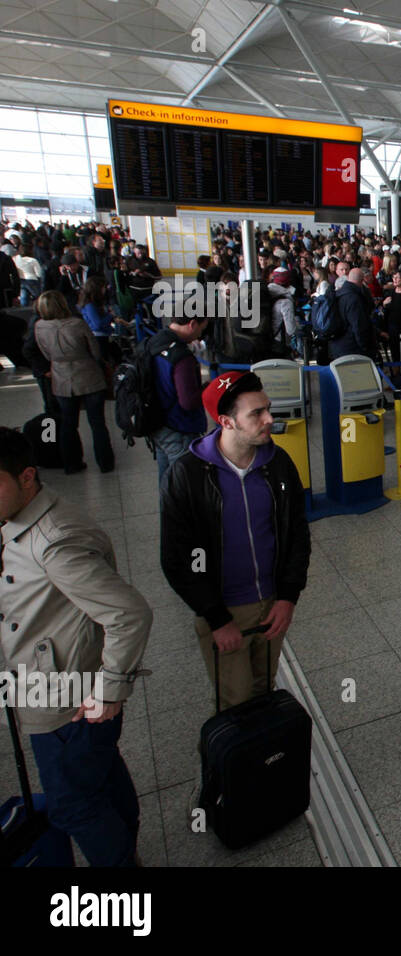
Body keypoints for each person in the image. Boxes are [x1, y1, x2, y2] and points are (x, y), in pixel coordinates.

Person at [0, 426, 152, 871]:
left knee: (72, 806)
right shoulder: (19, 521)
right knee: (98, 775)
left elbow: (129, 614)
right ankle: (128, 845)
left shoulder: (54, 542)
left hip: (65, 700)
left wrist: (110, 691)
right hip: (54, 687)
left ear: (27, 477)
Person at [160, 372, 310, 714]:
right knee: (236, 703)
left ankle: (269, 763)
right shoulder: (187, 476)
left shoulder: (278, 464)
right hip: (226, 610)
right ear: (226, 421)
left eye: (267, 408)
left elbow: (297, 534)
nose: (269, 419)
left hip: (272, 603)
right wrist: (215, 617)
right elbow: (177, 558)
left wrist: (287, 596)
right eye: (256, 413)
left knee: (264, 690)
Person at [32, 290, 115, 475]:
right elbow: (95, 351)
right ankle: (105, 463)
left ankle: (71, 463)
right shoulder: (77, 324)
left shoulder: (39, 326)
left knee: (68, 424)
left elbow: (45, 353)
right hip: (88, 374)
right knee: (97, 423)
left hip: (61, 378)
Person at [145, 311, 210, 489]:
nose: (200, 335)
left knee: (166, 482)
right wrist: (206, 389)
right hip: (178, 427)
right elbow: (188, 402)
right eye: (201, 329)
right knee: (183, 486)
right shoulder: (182, 357)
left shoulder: (155, 341)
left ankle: (166, 515)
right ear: (192, 324)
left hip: (157, 423)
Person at [331, 267, 376, 360]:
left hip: (337, 345)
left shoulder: (339, 293)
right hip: (352, 349)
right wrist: (366, 348)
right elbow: (359, 326)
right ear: (361, 281)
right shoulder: (354, 298)